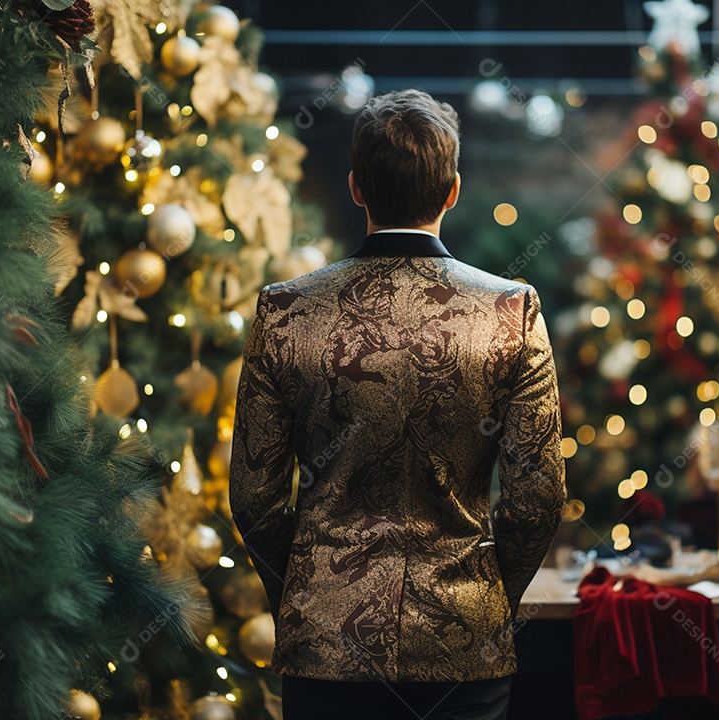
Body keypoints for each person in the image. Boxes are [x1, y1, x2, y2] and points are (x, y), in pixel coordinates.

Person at [230, 89, 566, 720]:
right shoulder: (510, 312)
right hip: (463, 646)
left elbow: (255, 500)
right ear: (453, 190)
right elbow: (537, 498)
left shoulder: (286, 311)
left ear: (357, 188)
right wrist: (491, 597)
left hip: (325, 649)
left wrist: (305, 593)